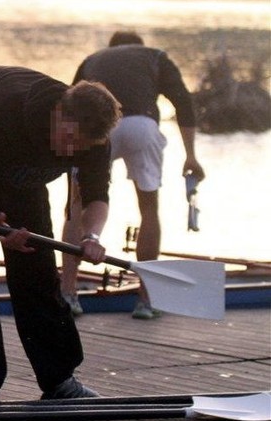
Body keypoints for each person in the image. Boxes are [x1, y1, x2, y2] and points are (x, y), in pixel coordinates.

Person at [0, 66, 121, 402]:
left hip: (21, 171)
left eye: (79, 147)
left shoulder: (94, 141)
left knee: (38, 266)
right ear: (60, 112)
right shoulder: (7, 114)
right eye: (68, 139)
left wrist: (91, 237)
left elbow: (97, 197)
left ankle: (59, 379)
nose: (68, 152)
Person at [60, 31, 205, 320]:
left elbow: (70, 103)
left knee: (75, 207)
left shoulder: (93, 60)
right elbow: (183, 103)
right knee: (148, 208)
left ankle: (68, 293)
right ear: (139, 45)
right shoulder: (156, 56)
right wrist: (190, 155)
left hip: (98, 128)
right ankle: (146, 300)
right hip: (142, 126)